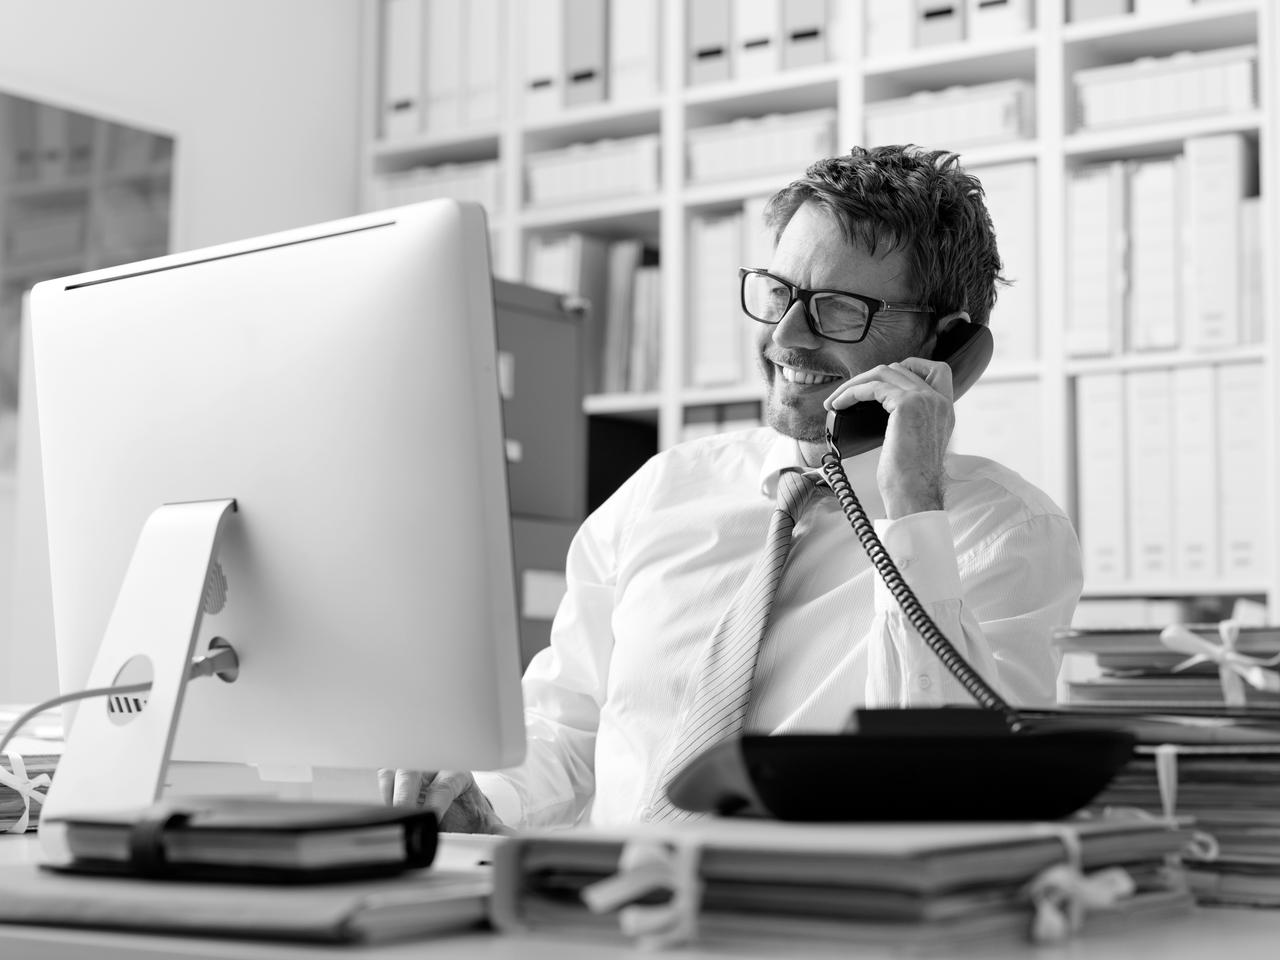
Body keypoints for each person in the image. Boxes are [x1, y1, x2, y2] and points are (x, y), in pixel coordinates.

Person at [380, 145, 1082, 831]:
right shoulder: (661, 492)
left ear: (944, 346)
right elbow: (568, 727)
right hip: (610, 917)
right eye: (779, 292)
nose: (785, 336)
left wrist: (912, 510)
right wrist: (485, 800)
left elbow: (949, 787)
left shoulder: (1007, 534)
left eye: (839, 309)